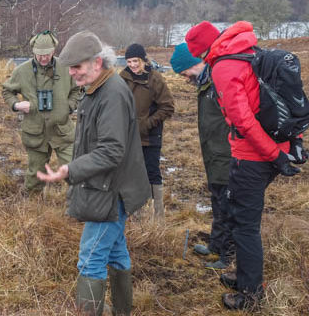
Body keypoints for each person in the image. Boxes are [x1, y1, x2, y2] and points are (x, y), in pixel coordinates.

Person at [185, 20, 302, 310]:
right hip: (269, 150)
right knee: (241, 218)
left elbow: (244, 121)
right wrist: (292, 144)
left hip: (252, 156)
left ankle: (250, 293)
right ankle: (244, 274)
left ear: (202, 51)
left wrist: (274, 155)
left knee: (245, 225)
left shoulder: (225, 66)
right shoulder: (247, 51)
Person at [37, 31, 151, 316]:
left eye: (77, 66)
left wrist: (69, 169)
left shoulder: (111, 93)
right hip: (107, 186)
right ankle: (123, 312)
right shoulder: (96, 88)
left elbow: (112, 150)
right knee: (115, 251)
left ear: (97, 62)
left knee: (90, 258)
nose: (72, 72)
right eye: (70, 67)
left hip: (113, 192)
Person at [170, 43, 234, 270]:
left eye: (184, 71)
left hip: (227, 153)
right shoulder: (205, 82)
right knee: (217, 199)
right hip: (213, 153)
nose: (185, 78)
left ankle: (228, 257)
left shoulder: (218, 80)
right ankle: (216, 246)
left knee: (228, 204)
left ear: (193, 63)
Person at [2, 30, 80, 196]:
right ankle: (32, 206)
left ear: (54, 51)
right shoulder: (22, 71)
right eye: (40, 55)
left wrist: (69, 107)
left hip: (62, 130)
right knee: (35, 174)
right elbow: (7, 91)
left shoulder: (66, 67)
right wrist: (16, 105)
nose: (44, 58)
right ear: (33, 52)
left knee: (75, 169)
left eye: (47, 54)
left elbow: (77, 90)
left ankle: (79, 205)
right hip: (35, 132)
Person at [119, 44, 174, 220]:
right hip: (128, 138)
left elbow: (167, 107)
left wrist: (147, 124)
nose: (133, 65)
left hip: (150, 137)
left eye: (136, 61)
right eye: (129, 61)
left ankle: (157, 218)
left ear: (143, 59)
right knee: (131, 175)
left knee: (152, 174)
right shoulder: (122, 78)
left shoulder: (155, 79)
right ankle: (135, 216)